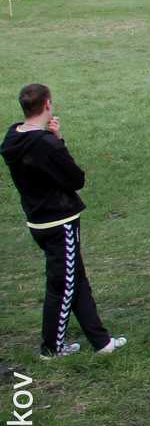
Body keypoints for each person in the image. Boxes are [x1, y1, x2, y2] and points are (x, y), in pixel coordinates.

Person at [3, 85, 125, 358]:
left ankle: (102, 343)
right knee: (63, 285)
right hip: (60, 222)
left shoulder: (13, 137)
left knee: (76, 279)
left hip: (38, 221)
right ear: (47, 104)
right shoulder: (46, 144)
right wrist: (58, 140)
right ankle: (52, 348)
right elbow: (75, 179)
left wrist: (51, 139)